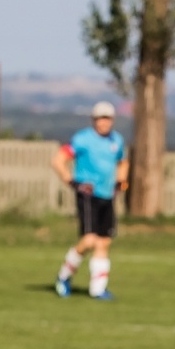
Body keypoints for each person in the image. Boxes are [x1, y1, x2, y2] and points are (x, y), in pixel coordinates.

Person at [51, 101, 129, 301]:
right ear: (94, 120)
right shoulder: (82, 139)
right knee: (89, 239)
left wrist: (121, 182)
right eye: (101, 118)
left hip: (107, 195)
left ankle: (98, 288)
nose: (104, 122)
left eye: (108, 118)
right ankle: (64, 276)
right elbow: (59, 159)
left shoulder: (116, 141)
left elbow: (122, 162)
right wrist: (71, 181)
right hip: (88, 194)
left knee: (104, 241)